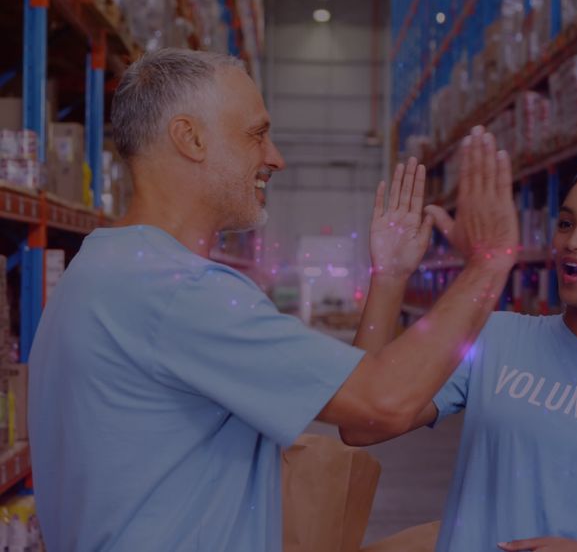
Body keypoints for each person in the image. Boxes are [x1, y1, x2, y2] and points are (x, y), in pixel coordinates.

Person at [27, 48, 520, 551]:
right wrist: (488, 264)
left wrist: (389, 276)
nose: (275, 158)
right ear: (190, 138)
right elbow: (384, 403)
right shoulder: (179, 291)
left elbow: (359, 413)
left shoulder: (103, 268)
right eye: (256, 134)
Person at [355, 160, 577, 552]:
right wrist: (389, 278)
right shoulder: (493, 337)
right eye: (565, 223)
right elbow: (362, 422)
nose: (573, 241)